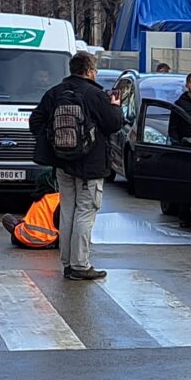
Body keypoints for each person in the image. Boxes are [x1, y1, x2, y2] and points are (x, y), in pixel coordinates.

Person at [31, 50, 125, 282]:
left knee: (67, 212)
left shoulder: (54, 93)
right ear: (90, 71)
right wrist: (115, 106)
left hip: (62, 164)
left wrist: (55, 143)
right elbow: (114, 124)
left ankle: (67, 262)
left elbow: (35, 122)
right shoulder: (96, 95)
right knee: (85, 212)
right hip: (90, 167)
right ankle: (80, 265)